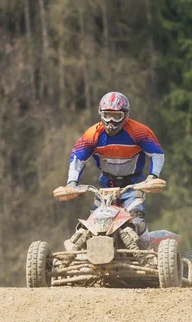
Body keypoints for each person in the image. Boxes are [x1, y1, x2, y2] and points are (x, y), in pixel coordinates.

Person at [65, 91, 164, 248]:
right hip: (105, 186)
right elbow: (77, 158)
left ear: (126, 115)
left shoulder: (139, 131)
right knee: (94, 224)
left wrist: (152, 176)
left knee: (136, 220)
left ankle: (149, 255)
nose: (111, 121)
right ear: (100, 114)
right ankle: (79, 255)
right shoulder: (93, 134)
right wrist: (72, 182)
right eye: (107, 115)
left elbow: (157, 154)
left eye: (116, 116)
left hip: (133, 185)